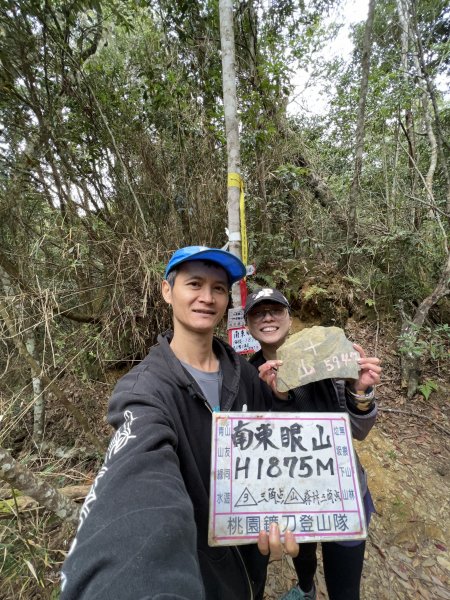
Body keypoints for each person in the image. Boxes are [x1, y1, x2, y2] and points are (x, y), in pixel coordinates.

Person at [60, 247, 299, 600]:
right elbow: (137, 485)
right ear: (167, 291)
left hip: (250, 564)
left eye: (219, 288)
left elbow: (279, 452)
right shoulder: (146, 391)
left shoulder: (244, 375)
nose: (207, 297)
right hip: (198, 579)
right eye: (195, 284)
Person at [244, 287, 382, 600]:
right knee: (302, 551)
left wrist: (360, 391)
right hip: (290, 495)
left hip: (340, 493)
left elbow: (358, 431)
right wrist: (272, 397)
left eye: (275, 310)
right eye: (258, 312)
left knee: (345, 589)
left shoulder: (325, 360)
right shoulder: (245, 377)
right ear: (249, 324)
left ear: (289, 318)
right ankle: (306, 588)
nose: (267, 317)